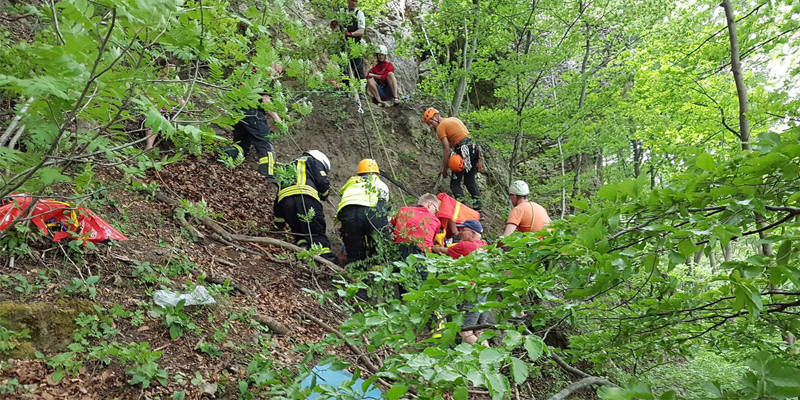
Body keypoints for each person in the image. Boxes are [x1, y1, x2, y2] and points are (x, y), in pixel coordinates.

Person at [273, 150, 338, 263]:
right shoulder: (313, 161)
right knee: (315, 229)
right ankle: (325, 257)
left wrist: (280, 223)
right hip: (306, 196)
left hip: (285, 201)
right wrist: (324, 194)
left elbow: (278, 196)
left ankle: (303, 253)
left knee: (299, 232)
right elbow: (322, 181)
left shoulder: (288, 166)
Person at [222, 65, 283, 183]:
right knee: (264, 143)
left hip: (237, 111)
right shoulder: (265, 76)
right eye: (278, 71)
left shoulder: (250, 71)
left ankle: (224, 154)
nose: (278, 75)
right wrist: (278, 120)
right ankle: (268, 175)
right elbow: (266, 101)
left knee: (242, 144)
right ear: (272, 65)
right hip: (252, 112)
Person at [432, 219, 489, 345]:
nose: (459, 232)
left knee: (465, 332)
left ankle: (486, 354)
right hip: (484, 291)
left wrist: (431, 246)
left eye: (463, 230)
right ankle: (492, 359)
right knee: (479, 331)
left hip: (473, 292)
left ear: (473, 233)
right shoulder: (484, 245)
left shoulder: (465, 246)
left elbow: (442, 250)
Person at [423, 108, 482, 211]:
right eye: (429, 124)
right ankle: (478, 209)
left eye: (431, 122)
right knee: (469, 181)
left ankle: (462, 209)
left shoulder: (440, 127)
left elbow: (447, 150)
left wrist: (445, 170)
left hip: (463, 151)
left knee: (455, 184)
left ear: (436, 116)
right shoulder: (453, 119)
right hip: (474, 149)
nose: (431, 126)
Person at [336, 159, 391, 266]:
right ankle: (377, 269)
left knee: (354, 249)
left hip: (349, 213)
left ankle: (355, 271)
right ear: (376, 172)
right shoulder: (380, 183)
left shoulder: (351, 182)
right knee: (379, 248)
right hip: (373, 211)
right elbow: (384, 206)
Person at [144, 58, 186, 151]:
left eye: (173, 70)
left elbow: (180, 100)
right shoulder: (155, 81)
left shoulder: (174, 83)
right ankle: (149, 146)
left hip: (171, 108)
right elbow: (146, 93)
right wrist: (154, 100)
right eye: (168, 69)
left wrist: (185, 108)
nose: (170, 72)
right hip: (157, 106)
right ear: (161, 68)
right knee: (155, 117)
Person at [391, 193, 442, 265]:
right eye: (436, 210)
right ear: (430, 204)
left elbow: (391, 226)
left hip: (399, 250)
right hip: (421, 254)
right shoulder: (435, 221)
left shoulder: (402, 210)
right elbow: (431, 242)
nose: (435, 214)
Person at [330, 0, 366, 80]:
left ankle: (362, 89)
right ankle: (345, 89)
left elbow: (361, 31)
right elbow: (334, 27)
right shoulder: (341, 12)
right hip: (343, 44)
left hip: (355, 46)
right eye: (352, 1)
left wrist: (350, 34)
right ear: (347, 1)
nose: (354, 3)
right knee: (343, 69)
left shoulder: (359, 14)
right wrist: (334, 24)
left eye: (356, 1)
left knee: (358, 69)